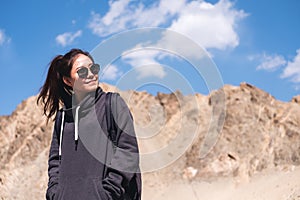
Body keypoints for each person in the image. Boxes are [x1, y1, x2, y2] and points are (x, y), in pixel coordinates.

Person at [37, 48, 141, 200]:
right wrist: (55, 192)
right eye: (82, 71)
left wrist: (108, 192)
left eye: (94, 68)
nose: (91, 74)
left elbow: (127, 150)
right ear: (68, 80)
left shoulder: (112, 104)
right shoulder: (63, 117)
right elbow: (55, 159)